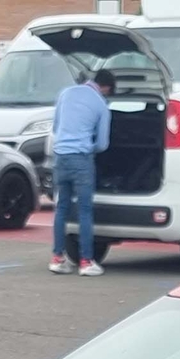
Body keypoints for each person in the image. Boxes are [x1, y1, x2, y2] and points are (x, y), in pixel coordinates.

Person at [48, 66, 113, 277]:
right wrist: (88, 148)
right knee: (85, 210)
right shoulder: (101, 105)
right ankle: (86, 262)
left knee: (62, 207)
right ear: (106, 88)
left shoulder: (65, 93)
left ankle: (57, 258)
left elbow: (56, 127)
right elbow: (103, 144)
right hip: (81, 159)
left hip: (60, 157)